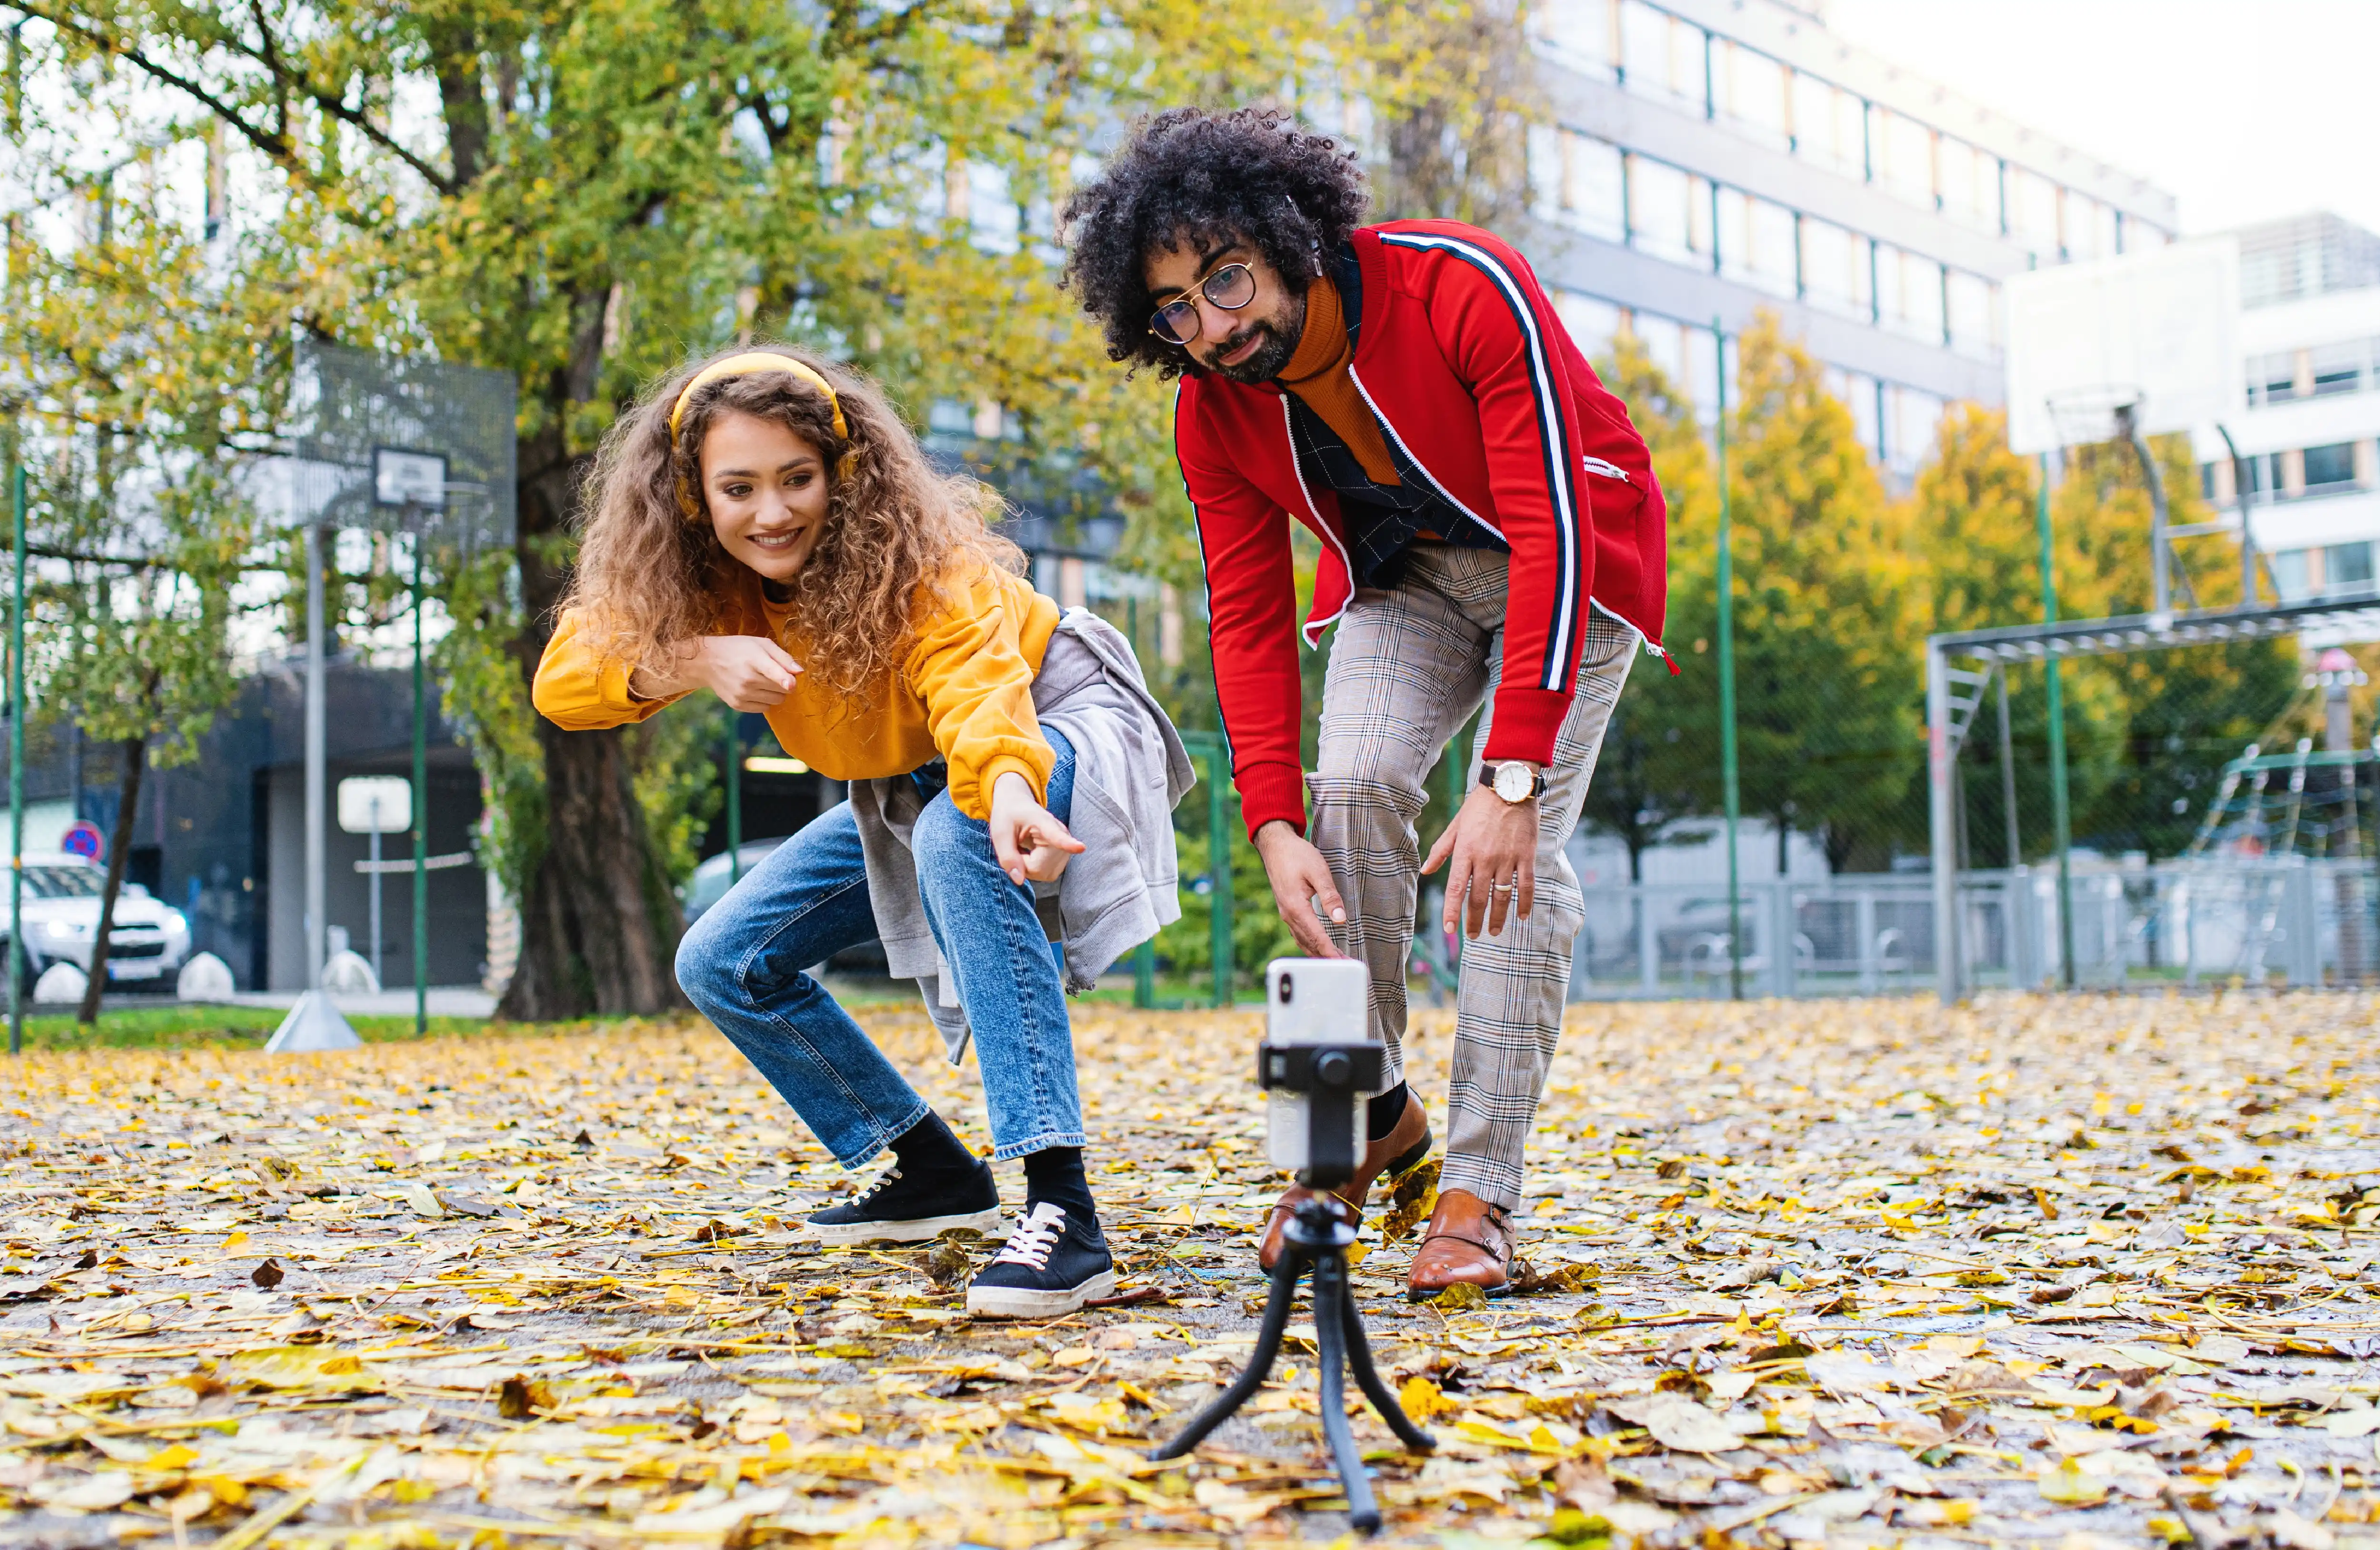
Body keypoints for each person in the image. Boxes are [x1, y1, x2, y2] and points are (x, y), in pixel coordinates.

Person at [1061, 109, 1670, 1299]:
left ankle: (1481, 1192)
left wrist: (1511, 779)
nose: (1212, 326)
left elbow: (1550, 520)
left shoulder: (1461, 285)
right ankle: (1345, 1137)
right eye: (1175, 309)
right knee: (1345, 797)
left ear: (1289, 234)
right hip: (1406, 583)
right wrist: (1272, 821)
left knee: (1517, 860)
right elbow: (1242, 612)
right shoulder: (1211, 407)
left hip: (1572, 563)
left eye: (1226, 278)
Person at [533, 348, 1187, 1319]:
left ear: (843, 472)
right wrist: (690, 658)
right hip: (910, 780)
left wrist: (1009, 788)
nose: (773, 511)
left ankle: (1065, 1213)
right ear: (692, 495)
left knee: (955, 839)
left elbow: (979, 690)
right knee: (724, 956)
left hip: (1052, 716)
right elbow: (564, 681)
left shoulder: (920, 560)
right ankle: (930, 1166)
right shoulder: (705, 589)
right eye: (739, 487)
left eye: (797, 478)